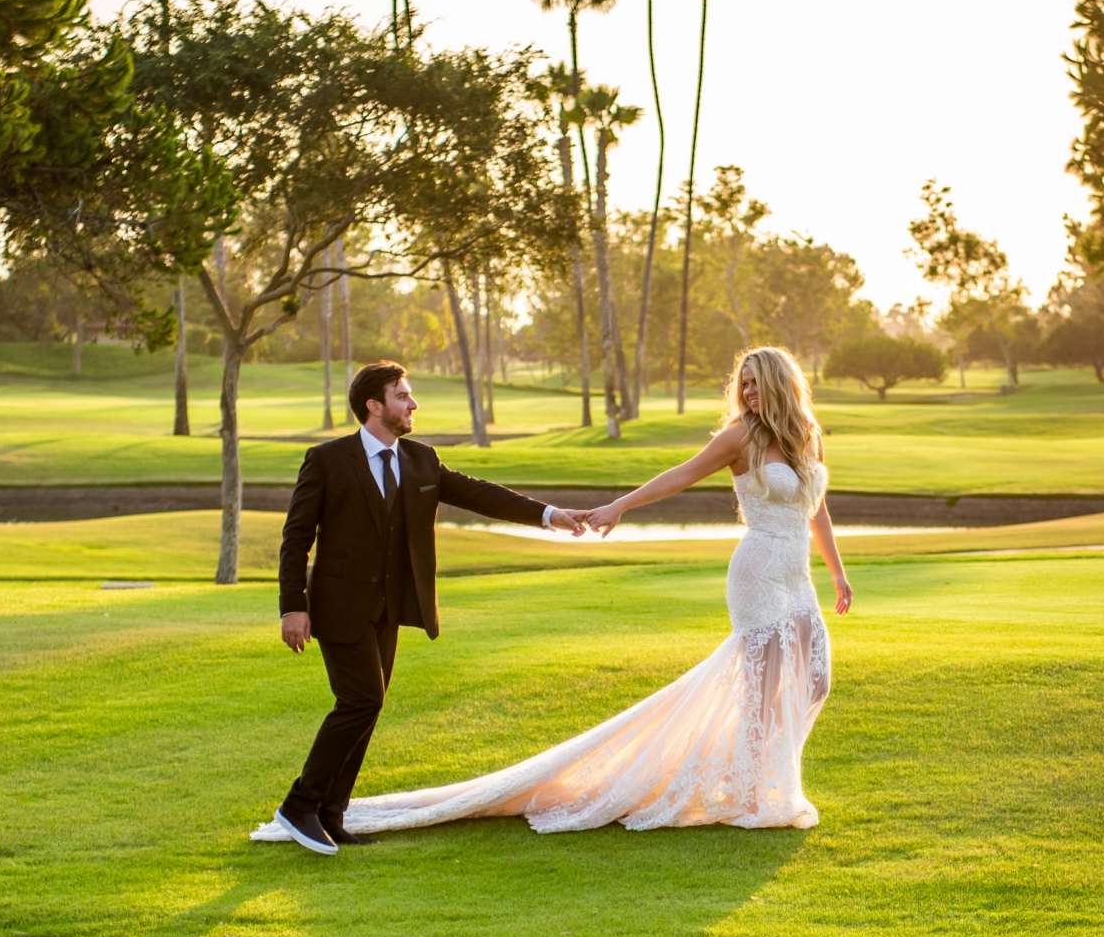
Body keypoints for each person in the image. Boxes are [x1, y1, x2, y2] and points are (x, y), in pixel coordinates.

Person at [323, 345, 851, 836]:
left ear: (783, 382)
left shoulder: (807, 433)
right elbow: (681, 476)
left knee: (816, 677)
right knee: (763, 685)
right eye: (745, 384)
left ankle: (762, 779)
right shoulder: (741, 436)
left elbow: (816, 509)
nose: (750, 393)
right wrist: (619, 505)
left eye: (758, 384)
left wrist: (838, 572)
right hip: (758, 569)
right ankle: (757, 793)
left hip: (796, 574)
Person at [251, 361, 585, 856]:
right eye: (403, 395)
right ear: (374, 405)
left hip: (390, 609)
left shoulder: (422, 460)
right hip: (338, 606)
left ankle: (330, 814)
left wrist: (549, 515)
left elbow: (479, 494)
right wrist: (291, 608)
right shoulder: (326, 460)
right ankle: (299, 804)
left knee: (370, 704)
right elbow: (295, 539)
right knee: (360, 700)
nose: (412, 405)